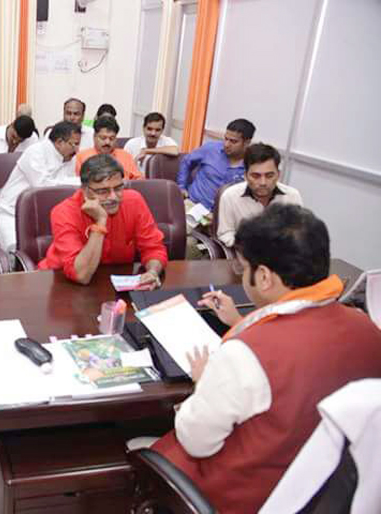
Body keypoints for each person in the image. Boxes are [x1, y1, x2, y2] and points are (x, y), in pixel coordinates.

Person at [148, 204, 381, 514]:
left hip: (251, 497)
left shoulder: (246, 353)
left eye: (245, 268)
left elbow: (196, 441)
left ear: (264, 277)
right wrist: (241, 322)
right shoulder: (368, 328)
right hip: (327, 491)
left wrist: (202, 383)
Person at [38, 154, 167, 286]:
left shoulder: (134, 201)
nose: (113, 197)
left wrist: (152, 272)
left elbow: (153, 248)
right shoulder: (63, 212)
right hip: (59, 282)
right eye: (103, 191)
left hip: (110, 283)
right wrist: (100, 222)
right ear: (85, 191)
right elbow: (81, 275)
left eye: (118, 188)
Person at [0, 121, 81, 249]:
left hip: (44, 217)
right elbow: (42, 187)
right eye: (74, 144)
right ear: (59, 142)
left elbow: (66, 191)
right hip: (11, 213)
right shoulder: (36, 152)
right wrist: (77, 181)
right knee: (15, 251)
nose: (77, 149)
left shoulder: (70, 157)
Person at [217, 143, 303, 248]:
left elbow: (298, 233)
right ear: (245, 176)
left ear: (278, 175)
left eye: (269, 176)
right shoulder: (230, 196)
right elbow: (225, 233)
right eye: (256, 176)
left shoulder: (292, 196)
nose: (263, 182)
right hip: (244, 252)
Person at [177, 118, 255, 210]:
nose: (226, 144)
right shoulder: (211, 149)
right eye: (226, 139)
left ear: (247, 143)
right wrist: (181, 187)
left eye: (233, 141)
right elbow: (186, 162)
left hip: (222, 213)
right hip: (193, 205)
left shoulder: (252, 165)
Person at [75, 116, 141, 179]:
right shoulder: (82, 157)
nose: (107, 142)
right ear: (94, 137)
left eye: (111, 138)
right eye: (103, 138)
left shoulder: (125, 156)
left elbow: (139, 180)